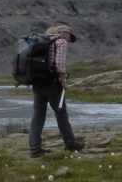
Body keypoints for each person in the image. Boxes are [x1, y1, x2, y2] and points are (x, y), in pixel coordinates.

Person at [29, 25, 85, 158]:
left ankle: (34, 148)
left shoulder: (41, 41)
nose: (70, 40)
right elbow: (59, 65)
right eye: (70, 37)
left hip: (37, 82)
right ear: (63, 33)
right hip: (52, 83)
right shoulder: (61, 42)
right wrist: (63, 81)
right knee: (61, 113)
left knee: (38, 116)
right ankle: (71, 143)